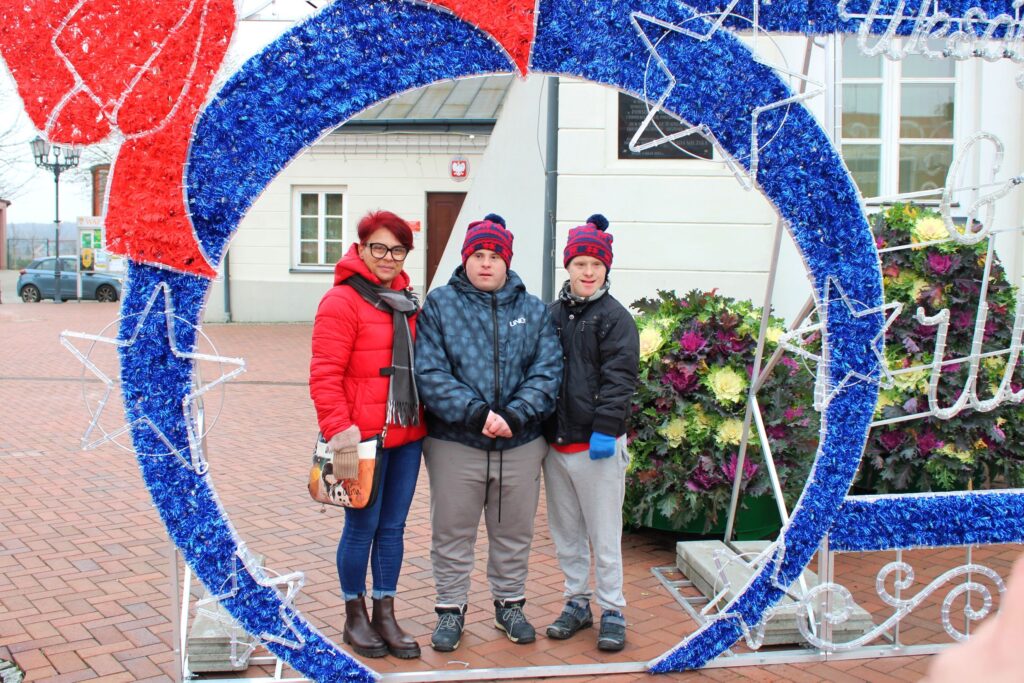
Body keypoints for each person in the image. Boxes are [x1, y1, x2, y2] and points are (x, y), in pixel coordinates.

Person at [414, 213, 562, 652]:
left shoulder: (533, 310)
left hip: (519, 442)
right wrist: (477, 413)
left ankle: (509, 605)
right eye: (478, 254)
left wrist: (515, 415)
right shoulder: (440, 305)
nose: (485, 263)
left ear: (506, 261)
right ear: (465, 258)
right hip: (455, 442)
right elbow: (430, 371)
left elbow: (547, 371)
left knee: (513, 532)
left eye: (494, 255)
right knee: (452, 531)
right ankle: (450, 609)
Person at [309, 210, 427, 659]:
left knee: (392, 529)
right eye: (379, 247)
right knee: (361, 527)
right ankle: (353, 615)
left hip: (406, 436)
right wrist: (338, 431)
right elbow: (324, 375)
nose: (388, 257)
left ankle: (385, 613)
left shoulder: (406, 302)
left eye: (398, 250)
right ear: (360, 249)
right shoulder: (340, 301)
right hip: (356, 440)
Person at [542, 214, 640, 652]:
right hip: (556, 445)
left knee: (604, 534)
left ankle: (613, 608)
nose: (587, 272)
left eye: (595, 265)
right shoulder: (551, 315)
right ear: (567, 266)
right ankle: (577, 601)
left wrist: (606, 428)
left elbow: (620, 379)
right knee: (566, 533)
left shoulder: (615, 319)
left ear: (606, 269)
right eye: (580, 263)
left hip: (597, 446)